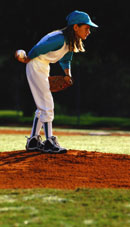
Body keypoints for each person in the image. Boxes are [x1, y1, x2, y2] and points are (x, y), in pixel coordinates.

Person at [15, 10, 98, 153]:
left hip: (42, 66)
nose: (89, 31)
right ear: (75, 27)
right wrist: (28, 58)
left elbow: (66, 59)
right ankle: (49, 142)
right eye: (86, 28)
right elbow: (39, 48)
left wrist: (67, 74)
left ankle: (33, 141)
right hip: (36, 65)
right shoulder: (60, 38)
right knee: (47, 104)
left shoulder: (70, 41)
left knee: (43, 105)